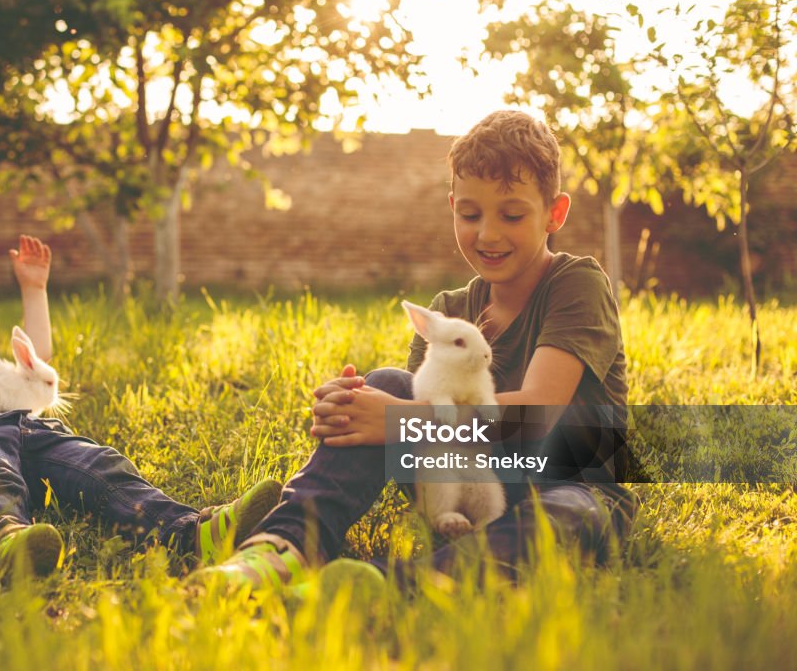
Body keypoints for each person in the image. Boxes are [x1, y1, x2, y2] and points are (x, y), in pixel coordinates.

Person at [194, 110, 638, 590]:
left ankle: (391, 584)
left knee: (560, 516)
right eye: (470, 214)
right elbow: (421, 437)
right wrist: (348, 407)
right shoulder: (448, 311)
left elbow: (539, 410)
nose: (487, 233)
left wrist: (396, 419)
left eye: (511, 214)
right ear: (452, 207)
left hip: (572, 484)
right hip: (468, 480)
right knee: (386, 383)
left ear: (555, 213)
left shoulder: (576, 283)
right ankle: (280, 547)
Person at [0, 235, 281, 577]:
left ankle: (192, 532)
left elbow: (36, 363)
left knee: (101, 466)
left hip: (32, 432)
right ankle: (1, 540)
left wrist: (35, 289)